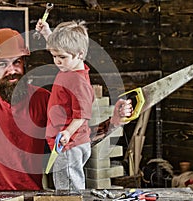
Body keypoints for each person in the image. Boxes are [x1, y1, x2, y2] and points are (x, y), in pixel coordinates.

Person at [0, 26, 132, 191]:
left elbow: (76, 139)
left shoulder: (43, 100)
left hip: (30, 196)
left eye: (17, 62)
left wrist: (114, 121)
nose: (12, 70)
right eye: (2, 64)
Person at [36, 20, 132, 190]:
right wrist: (47, 33)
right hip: (66, 142)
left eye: (62, 57)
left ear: (80, 55)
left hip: (69, 145)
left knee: (69, 191)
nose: (57, 61)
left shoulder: (78, 81)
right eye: (54, 56)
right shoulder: (69, 67)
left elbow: (81, 115)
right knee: (66, 186)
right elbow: (62, 47)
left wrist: (67, 132)